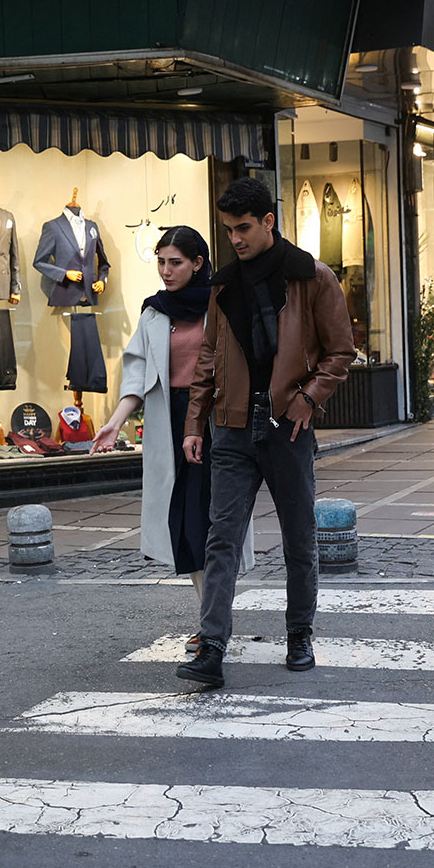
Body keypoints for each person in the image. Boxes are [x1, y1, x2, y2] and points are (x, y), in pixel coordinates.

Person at [180, 179, 354, 687]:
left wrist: (309, 398)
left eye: (244, 228)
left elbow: (341, 351)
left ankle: (300, 632)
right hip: (231, 427)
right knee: (221, 539)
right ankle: (211, 647)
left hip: (287, 427)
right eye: (229, 229)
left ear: (268, 222)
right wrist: (195, 423)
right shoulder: (224, 285)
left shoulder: (311, 277)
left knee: (300, 537)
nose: (234, 238)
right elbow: (208, 357)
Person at [90, 226, 254, 651]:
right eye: (161, 261)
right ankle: (214, 621)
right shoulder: (154, 313)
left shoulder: (222, 303)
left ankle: (214, 625)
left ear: (198, 263)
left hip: (218, 421)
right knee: (185, 525)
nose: (165, 271)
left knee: (215, 521)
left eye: (175, 262)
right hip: (172, 423)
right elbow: (138, 373)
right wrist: (116, 422)